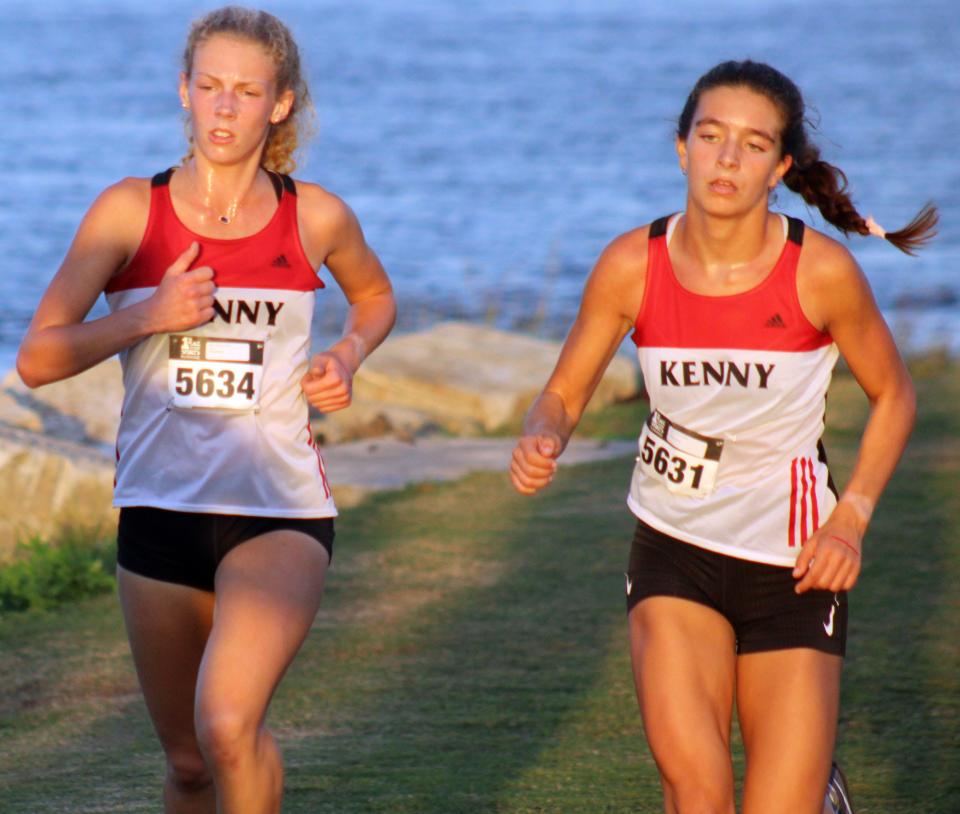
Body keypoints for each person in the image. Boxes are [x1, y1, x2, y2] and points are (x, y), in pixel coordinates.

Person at [510, 60, 936, 814]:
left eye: (751, 143)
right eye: (711, 136)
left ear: (780, 167)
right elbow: (564, 392)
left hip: (795, 565)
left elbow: (894, 395)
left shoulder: (820, 273)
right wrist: (544, 435)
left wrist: (852, 518)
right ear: (683, 148)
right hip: (675, 547)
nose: (727, 158)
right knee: (697, 791)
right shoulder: (630, 265)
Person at [17, 7, 395, 812]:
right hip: (158, 509)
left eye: (247, 91)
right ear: (183, 91)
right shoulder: (129, 211)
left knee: (227, 723)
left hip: (277, 510)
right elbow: (39, 357)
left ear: (280, 104)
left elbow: (376, 297)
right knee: (189, 764)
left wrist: (348, 355)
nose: (226, 108)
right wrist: (147, 315)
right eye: (210, 87)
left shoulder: (314, 216)